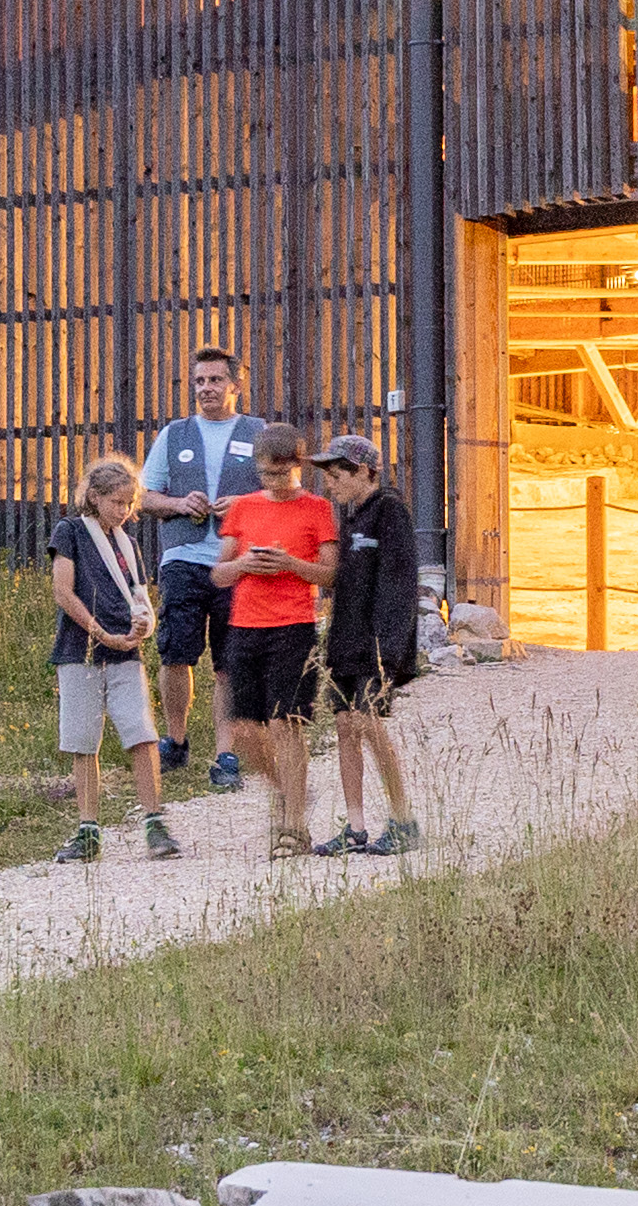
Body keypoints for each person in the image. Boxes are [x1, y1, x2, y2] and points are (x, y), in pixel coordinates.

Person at [206, 422, 340, 857]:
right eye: (265, 474)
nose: (273, 483)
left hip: (293, 624)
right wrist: (246, 563)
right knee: (243, 728)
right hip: (245, 624)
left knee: (287, 725)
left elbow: (330, 573)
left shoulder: (317, 508)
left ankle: (294, 828)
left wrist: (290, 563)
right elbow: (218, 573)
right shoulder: (242, 507)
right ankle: (287, 793)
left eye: (281, 474)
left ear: (298, 467)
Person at [138, 345, 266, 792]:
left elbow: (284, 493)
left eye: (215, 380)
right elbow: (144, 496)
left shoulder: (259, 433)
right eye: (199, 381)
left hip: (237, 563)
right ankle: (175, 740)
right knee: (176, 653)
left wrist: (245, 504)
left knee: (229, 661)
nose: (206, 388)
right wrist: (178, 502)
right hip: (183, 558)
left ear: (235, 386)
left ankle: (225, 752)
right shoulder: (174, 435)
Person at [43, 456, 173, 860]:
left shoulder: (128, 543)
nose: (125, 511)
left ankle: (154, 821)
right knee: (83, 740)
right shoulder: (70, 531)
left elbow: (139, 595)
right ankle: (88, 829)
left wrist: (139, 628)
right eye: (118, 502)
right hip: (80, 650)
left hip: (125, 650)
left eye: (131, 503)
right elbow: (64, 591)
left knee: (141, 732)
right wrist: (99, 632)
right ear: (95, 497)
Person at [313, 434, 427, 856]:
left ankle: (403, 820)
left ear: (366, 472)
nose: (330, 484)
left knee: (370, 726)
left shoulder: (389, 511)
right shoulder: (354, 517)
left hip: (376, 646)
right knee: (345, 727)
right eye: (327, 476)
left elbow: (400, 583)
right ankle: (356, 826)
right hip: (346, 640)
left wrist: (390, 651)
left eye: (337, 474)